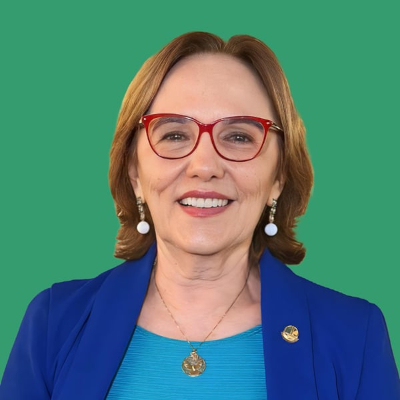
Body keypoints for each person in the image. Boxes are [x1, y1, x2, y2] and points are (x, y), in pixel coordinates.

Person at [0, 32, 399, 400]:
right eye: (174, 135)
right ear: (135, 172)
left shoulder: (356, 335)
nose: (204, 166)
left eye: (239, 136)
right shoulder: (52, 324)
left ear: (278, 176)